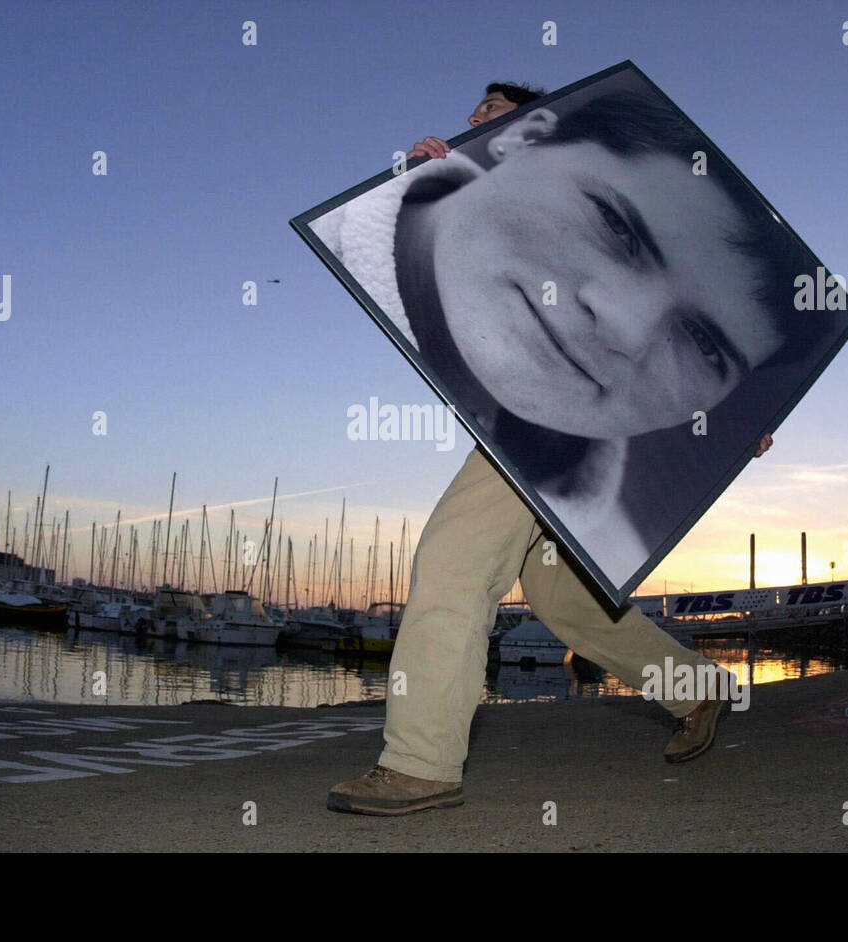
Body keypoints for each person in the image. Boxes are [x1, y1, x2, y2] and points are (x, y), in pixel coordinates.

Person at [323, 82, 780, 815]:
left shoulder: (583, 445)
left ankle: (421, 763)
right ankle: (699, 690)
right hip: (541, 449)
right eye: (616, 224)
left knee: (455, 560)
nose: (625, 327)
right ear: (522, 140)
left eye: (703, 344)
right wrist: (428, 173)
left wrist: (729, 432)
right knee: (562, 593)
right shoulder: (430, 215)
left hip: (531, 454)